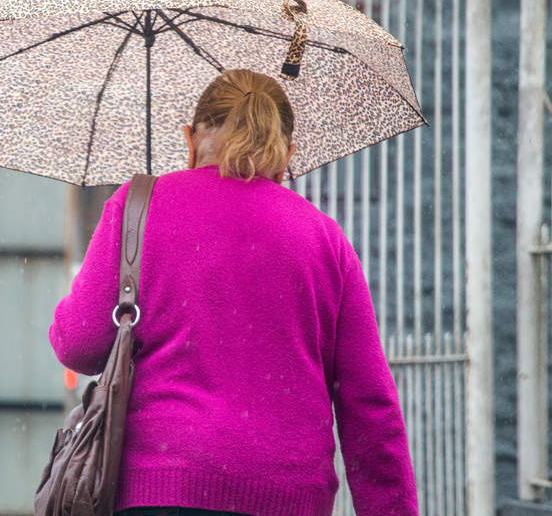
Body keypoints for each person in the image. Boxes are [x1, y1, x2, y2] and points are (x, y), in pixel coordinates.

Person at [49, 69, 418, 516]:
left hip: (161, 489)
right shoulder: (324, 239)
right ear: (286, 157)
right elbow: (370, 405)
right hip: (287, 496)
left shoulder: (137, 208)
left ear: (190, 139)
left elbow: (79, 345)